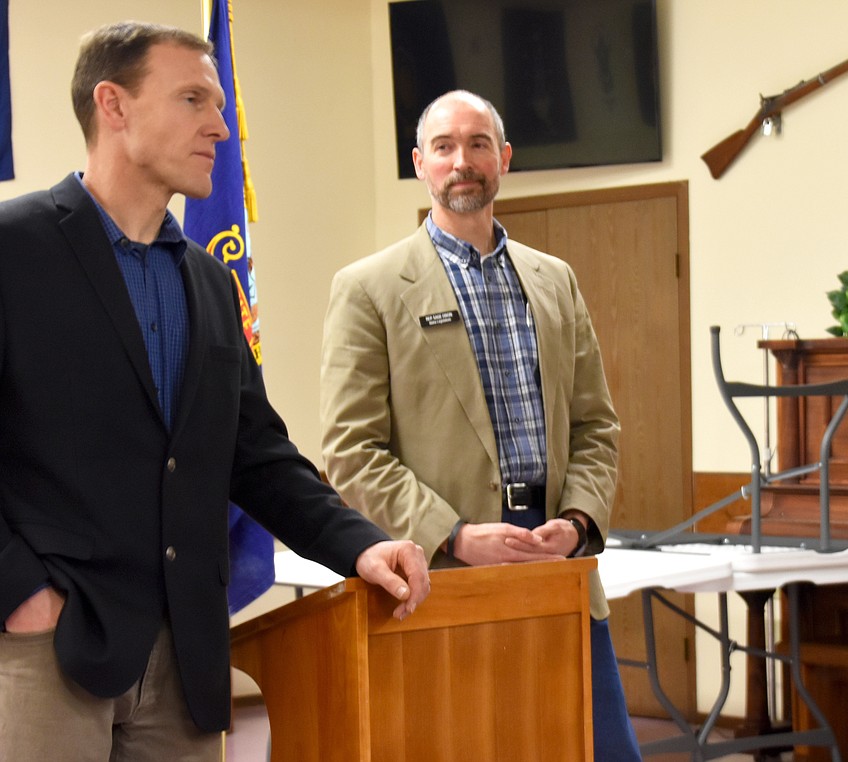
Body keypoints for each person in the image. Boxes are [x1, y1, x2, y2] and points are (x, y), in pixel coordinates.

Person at [0, 21, 430, 761]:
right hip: (50, 652)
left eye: (220, 106)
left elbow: (256, 454)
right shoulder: (13, 248)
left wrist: (359, 545)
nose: (220, 129)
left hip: (188, 657)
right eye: (194, 100)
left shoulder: (210, 282)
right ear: (115, 105)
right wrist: (20, 594)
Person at [320, 89, 642, 760]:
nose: (461, 161)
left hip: (557, 564)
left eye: (477, 144)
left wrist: (579, 525)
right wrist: (455, 535)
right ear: (419, 164)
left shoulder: (555, 281)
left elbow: (596, 426)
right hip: (442, 569)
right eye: (443, 147)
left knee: (595, 750)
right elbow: (351, 450)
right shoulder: (370, 289)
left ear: (504, 158)